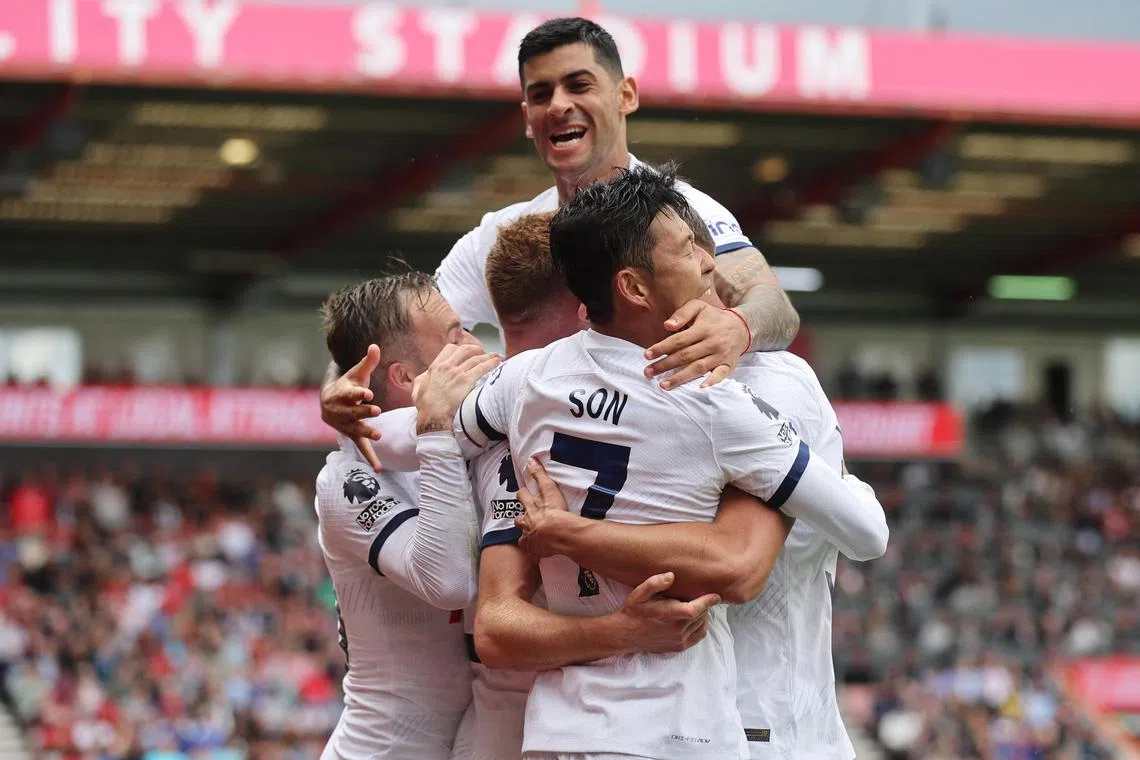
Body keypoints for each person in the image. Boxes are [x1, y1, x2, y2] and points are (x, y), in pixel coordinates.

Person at [456, 166, 886, 759]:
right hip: (703, 727)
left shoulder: (528, 381)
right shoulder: (721, 400)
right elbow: (847, 539)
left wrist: (572, 534)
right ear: (633, 287)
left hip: (566, 727)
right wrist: (830, 473)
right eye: (690, 248)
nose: (711, 263)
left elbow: (444, 423)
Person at [321, 16, 801, 470]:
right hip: (544, 491)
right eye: (540, 93)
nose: (558, 105)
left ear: (625, 95)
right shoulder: (500, 235)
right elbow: (389, 326)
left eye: (579, 84)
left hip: (676, 473)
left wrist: (738, 326)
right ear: (528, 117)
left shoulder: (680, 215)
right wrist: (337, 389)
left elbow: (773, 305)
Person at [315, 272, 499, 759]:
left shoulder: (468, 438)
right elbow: (450, 582)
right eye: (456, 334)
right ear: (403, 377)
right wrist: (436, 428)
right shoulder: (346, 479)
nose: (475, 344)